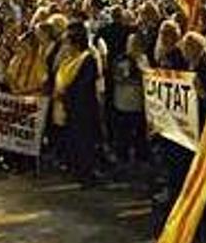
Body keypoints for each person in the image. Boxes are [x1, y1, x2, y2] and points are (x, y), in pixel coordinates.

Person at [53, 22, 102, 187]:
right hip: (71, 108)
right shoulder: (69, 60)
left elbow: (84, 87)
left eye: (67, 43)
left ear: (76, 43)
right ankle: (77, 169)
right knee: (74, 140)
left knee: (85, 142)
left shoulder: (87, 60)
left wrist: (65, 95)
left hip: (83, 109)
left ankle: (87, 174)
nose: (65, 46)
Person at [111, 33, 150, 168]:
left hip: (138, 103)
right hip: (123, 102)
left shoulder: (144, 59)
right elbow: (117, 77)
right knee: (123, 133)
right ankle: (123, 159)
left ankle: (140, 158)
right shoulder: (121, 59)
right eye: (132, 43)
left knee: (139, 133)